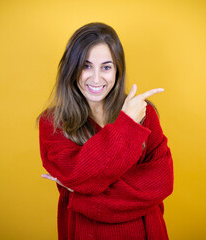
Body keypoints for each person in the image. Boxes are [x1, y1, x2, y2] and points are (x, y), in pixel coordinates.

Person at [37, 22, 174, 240]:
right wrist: (126, 124)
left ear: (117, 70)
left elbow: (161, 183)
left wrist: (81, 197)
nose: (96, 78)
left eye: (106, 67)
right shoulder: (53, 123)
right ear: (71, 68)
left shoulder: (144, 113)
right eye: (86, 66)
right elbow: (80, 176)